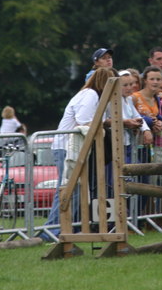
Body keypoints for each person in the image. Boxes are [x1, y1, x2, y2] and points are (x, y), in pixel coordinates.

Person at [41, 67, 117, 241]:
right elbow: (84, 122)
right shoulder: (90, 95)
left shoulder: (94, 96)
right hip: (67, 146)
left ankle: (67, 229)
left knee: (74, 190)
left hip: (75, 147)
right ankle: (51, 231)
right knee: (69, 190)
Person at [131, 66, 162, 227]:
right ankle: (148, 222)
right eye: (152, 79)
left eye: (158, 79)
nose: (155, 82)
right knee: (149, 187)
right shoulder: (135, 97)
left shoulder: (161, 97)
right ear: (145, 80)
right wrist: (150, 123)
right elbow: (132, 116)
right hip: (142, 146)